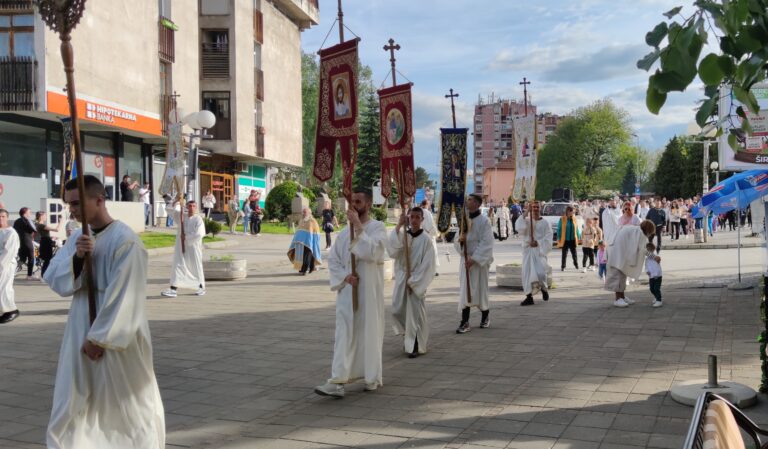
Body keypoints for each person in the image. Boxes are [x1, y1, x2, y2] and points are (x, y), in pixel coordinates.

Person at [44, 175, 165, 449]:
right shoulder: (78, 237)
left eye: (76, 203)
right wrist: (77, 258)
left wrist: (99, 338)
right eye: (68, 204)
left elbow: (126, 295)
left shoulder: (126, 241)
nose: (71, 209)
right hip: (79, 325)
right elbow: (53, 277)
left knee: (126, 405)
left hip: (115, 335)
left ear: (99, 200)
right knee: (71, 401)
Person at [315, 190, 387, 398]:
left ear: (369, 204)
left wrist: (358, 226)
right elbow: (334, 260)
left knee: (369, 333)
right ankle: (337, 381)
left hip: (369, 293)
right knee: (343, 334)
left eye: (358, 201)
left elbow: (373, 252)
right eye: (352, 201)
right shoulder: (345, 233)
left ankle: (371, 376)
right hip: (348, 292)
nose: (354, 205)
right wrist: (346, 277)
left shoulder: (377, 228)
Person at [387, 207, 436, 358]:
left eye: (417, 217)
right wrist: (397, 225)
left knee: (415, 313)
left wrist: (414, 282)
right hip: (402, 276)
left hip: (416, 278)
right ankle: (408, 335)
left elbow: (428, 265)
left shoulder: (426, 240)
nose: (414, 220)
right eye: (411, 217)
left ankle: (415, 344)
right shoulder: (403, 236)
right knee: (396, 309)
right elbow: (392, 251)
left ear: (422, 220)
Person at [454, 194, 494, 333]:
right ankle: (465, 321)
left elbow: (487, 242)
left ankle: (485, 316)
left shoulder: (484, 221)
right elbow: (456, 239)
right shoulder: (463, 220)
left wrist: (475, 258)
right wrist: (460, 241)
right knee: (465, 290)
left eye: (470, 199)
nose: (467, 201)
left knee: (481, 290)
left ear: (477, 203)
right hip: (465, 260)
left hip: (478, 263)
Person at [605, 220, 656, 307]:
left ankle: (622, 297)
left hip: (615, 250)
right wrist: (653, 257)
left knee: (622, 275)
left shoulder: (635, 229)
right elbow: (642, 250)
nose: (650, 235)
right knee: (618, 276)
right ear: (648, 230)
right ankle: (618, 299)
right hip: (617, 253)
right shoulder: (640, 234)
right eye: (650, 233)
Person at [161, 200, 206, 297]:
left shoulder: (198, 219)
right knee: (178, 265)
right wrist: (177, 201)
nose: (191, 208)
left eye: (194, 206)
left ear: (196, 208)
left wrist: (186, 237)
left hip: (193, 247)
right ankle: (173, 289)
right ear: (186, 207)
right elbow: (169, 209)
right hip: (181, 248)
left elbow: (200, 234)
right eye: (189, 206)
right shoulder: (182, 217)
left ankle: (200, 287)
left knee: (195, 266)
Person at [517, 201, 552, 306]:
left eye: (537, 207)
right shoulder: (527, 221)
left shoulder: (545, 222)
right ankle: (529, 297)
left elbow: (548, 237)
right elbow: (519, 228)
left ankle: (544, 288)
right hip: (528, 250)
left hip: (539, 251)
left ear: (540, 208)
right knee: (527, 274)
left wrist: (538, 242)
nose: (535, 209)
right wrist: (527, 211)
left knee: (540, 273)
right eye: (533, 207)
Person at [288, 207, 322, 275]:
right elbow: (299, 231)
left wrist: (314, 241)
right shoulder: (301, 220)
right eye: (303, 212)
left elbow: (316, 232)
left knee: (307, 256)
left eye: (305, 212)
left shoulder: (312, 221)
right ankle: (305, 268)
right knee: (302, 256)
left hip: (309, 242)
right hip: (300, 242)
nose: (303, 213)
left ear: (309, 213)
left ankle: (305, 269)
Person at [0, 209, 20, 324]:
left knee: (4, 287)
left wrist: (1, 265)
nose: (1, 219)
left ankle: (11, 310)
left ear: (7, 217)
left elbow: (9, 252)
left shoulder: (11, 233)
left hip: (5, 264)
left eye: (3, 216)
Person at [14, 207, 37, 280]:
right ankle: (29, 275)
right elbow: (33, 229)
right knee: (31, 258)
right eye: (29, 212)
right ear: (25, 213)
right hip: (27, 241)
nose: (30, 214)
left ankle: (12, 271)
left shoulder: (17, 221)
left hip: (20, 241)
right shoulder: (27, 220)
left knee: (22, 259)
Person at [35, 211, 60, 276]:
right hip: (46, 242)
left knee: (47, 259)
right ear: (41, 216)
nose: (46, 217)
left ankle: (44, 274)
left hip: (44, 241)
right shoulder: (41, 225)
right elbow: (57, 230)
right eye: (45, 216)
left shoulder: (37, 224)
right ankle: (43, 275)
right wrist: (60, 222)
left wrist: (51, 237)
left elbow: (44, 234)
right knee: (47, 259)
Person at [556, 205, 581, 271]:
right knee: (564, 254)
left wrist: (578, 237)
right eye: (572, 212)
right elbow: (559, 228)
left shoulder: (574, 219)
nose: (573, 213)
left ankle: (576, 264)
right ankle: (563, 266)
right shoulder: (562, 219)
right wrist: (558, 237)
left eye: (573, 212)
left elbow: (577, 229)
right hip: (565, 239)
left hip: (573, 239)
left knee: (574, 253)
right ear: (568, 211)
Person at [420, 199, 440, 275]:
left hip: (421, 235)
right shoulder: (427, 213)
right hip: (429, 235)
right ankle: (432, 270)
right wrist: (436, 233)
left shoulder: (419, 211)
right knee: (432, 252)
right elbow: (431, 225)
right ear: (427, 204)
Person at [645, 242, 663, 308]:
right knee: (651, 289)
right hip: (651, 277)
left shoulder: (655, 257)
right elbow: (646, 266)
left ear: (653, 250)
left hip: (657, 276)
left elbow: (657, 265)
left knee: (656, 288)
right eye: (647, 250)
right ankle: (656, 297)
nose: (647, 252)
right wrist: (647, 271)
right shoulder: (647, 259)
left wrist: (656, 274)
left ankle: (659, 300)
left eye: (649, 250)